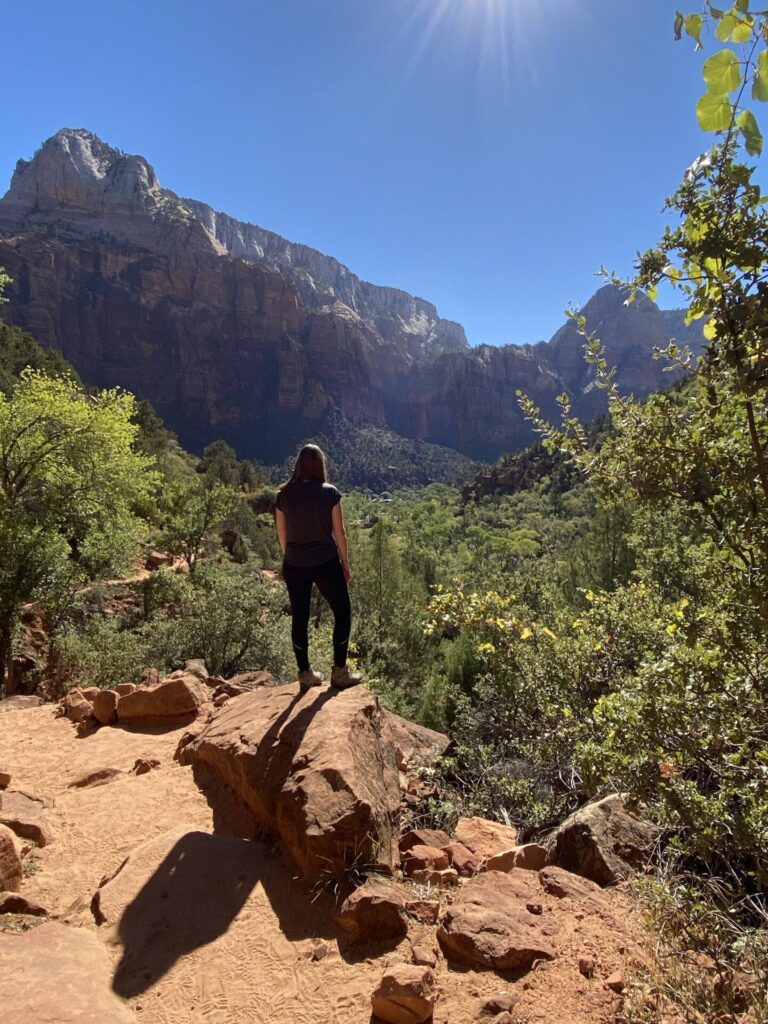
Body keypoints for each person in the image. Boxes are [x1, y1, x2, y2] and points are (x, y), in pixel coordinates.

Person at [274, 443, 363, 691]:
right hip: (325, 562)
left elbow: (282, 534)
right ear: (320, 464)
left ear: (298, 464)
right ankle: (340, 672)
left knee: (300, 618)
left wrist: (290, 557)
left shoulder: (283, 495)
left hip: (294, 563)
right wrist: (345, 563)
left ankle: (305, 674)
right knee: (343, 613)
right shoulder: (330, 493)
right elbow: (340, 533)